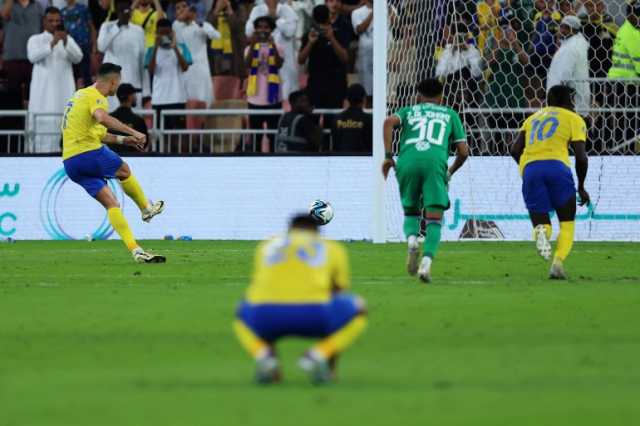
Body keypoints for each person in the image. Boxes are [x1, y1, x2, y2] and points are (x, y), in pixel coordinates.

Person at [233, 213, 367, 384]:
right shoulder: (331, 248)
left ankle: (265, 356)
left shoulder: (267, 246)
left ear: (289, 230)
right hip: (314, 315)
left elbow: (257, 284)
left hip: (265, 316)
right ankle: (318, 355)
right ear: (316, 231)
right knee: (358, 308)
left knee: (241, 311)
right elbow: (339, 291)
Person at [62, 63, 165, 263]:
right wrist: (133, 132)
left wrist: (125, 140)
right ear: (113, 81)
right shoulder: (97, 98)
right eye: (116, 83)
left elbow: (99, 134)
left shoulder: (79, 96)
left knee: (112, 203)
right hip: (87, 153)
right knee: (124, 170)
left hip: (71, 163)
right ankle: (146, 208)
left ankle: (136, 250)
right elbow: (102, 118)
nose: (116, 88)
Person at [382, 78, 470, 283]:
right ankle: (426, 265)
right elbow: (464, 152)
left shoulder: (408, 111)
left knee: (411, 211)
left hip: (407, 161)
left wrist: (388, 156)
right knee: (434, 220)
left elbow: (387, 123)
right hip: (434, 163)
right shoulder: (450, 114)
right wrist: (449, 172)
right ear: (441, 97)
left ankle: (412, 240)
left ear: (418, 96)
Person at [510, 85, 590, 280]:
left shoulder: (532, 118)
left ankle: (541, 233)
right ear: (567, 100)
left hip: (531, 169)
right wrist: (581, 186)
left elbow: (514, 149)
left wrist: (525, 168)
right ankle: (557, 262)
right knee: (567, 223)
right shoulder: (574, 119)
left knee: (542, 222)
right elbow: (581, 157)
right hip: (557, 168)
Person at [27, 7, 83, 153]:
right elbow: (32, 56)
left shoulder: (68, 40)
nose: (54, 24)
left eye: (58, 21)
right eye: (51, 21)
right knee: (42, 135)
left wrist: (65, 42)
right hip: (43, 98)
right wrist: (52, 43)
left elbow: (78, 57)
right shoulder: (35, 39)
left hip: (64, 95)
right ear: (44, 21)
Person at [245, 0, 299, 100]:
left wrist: (276, 19)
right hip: (263, 63)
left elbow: (290, 32)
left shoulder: (287, 10)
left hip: (284, 63)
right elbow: (248, 32)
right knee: (263, 96)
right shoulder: (257, 10)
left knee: (287, 98)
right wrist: (266, 18)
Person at [298, 4, 350, 109]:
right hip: (315, 84)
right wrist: (310, 43)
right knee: (312, 120)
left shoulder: (338, 32)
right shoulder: (309, 35)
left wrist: (332, 38)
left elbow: (345, 58)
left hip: (336, 83)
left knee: (332, 120)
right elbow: (301, 60)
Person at [97, 0, 146, 111]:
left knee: (133, 120)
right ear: (117, 12)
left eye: (127, 11)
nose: (125, 14)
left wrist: (145, 91)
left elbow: (142, 62)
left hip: (133, 82)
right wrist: (117, 26)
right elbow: (101, 47)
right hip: (111, 83)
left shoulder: (138, 31)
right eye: (122, 11)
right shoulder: (107, 27)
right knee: (112, 119)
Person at [145, 18, 192, 131]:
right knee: (160, 136)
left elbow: (185, 68)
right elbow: (151, 71)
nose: (164, 36)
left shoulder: (182, 47)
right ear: (156, 33)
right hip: (159, 99)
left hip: (178, 98)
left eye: (167, 33)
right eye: (161, 33)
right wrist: (156, 47)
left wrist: (174, 47)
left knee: (178, 135)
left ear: (172, 32)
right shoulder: (151, 50)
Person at [245, 15, 284, 152]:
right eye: (260, 27)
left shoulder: (277, 46)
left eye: (266, 27)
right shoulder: (249, 48)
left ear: (271, 30)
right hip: (255, 100)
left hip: (273, 99)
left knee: (274, 136)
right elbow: (247, 64)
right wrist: (252, 45)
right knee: (256, 137)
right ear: (255, 29)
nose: (263, 30)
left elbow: (279, 65)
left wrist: (272, 45)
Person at [173, 0, 220, 110]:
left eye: (184, 6)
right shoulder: (176, 26)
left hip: (200, 70)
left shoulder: (201, 24)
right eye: (178, 8)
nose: (182, 10)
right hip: (184, 70)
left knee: (204, 101)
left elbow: (216, 36)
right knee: (187, 103)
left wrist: (199, 23)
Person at [1, 0, 44, 109]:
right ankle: (12, 124)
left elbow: (44, 28)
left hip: (34, 57)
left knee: (34, 93)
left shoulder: (38, 6)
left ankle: (32, 123)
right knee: (11, 94)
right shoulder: (7, 5)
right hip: (12, 56)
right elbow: (3, 14)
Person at [547, 15, 590, 113]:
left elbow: (565, 73)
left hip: (565, 102)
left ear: (574, 30)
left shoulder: (571, 47)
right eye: (561, 26)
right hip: (572, 100)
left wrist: (558, 98)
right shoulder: (573, 43)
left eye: (566, 28)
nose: (562, 30)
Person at [61, 0, 97, 87]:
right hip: (70, 48)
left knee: (86, 75)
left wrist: (94, 45)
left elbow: (91, 27)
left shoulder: (83, 9)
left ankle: (89, 97)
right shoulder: (62, 12)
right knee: (72, 75)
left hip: (83, 45)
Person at [331, 83, 372, 153]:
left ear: (347, 99)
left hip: (340, 159)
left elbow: (335, 144)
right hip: (363, 159)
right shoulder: (369, 119)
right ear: (364, 99)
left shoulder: (336, 119)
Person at [110, 83, 149, 155]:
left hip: (111, 158)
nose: (136, 97)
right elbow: (144, 143)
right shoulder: (138, 120)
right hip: (133, 158)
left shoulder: (109, 118)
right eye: (134, 94)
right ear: (130, 96)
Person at [608, 0, 640, 79]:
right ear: (629, 15)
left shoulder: (626, 27)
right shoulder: (632, 33)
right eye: (637, 15)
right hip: (624, 82)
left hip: (618, 79)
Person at [351, 0, 373, 98]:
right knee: (367, 90)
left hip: (386, 55)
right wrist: (373, 13)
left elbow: (397, 26)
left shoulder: (389, 8)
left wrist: (389, 10)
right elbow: (359, 29)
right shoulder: (357, 12)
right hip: (366, 56)